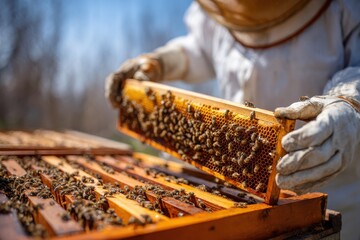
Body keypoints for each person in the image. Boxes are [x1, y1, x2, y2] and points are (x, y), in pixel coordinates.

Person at [105, 0, 360, 238]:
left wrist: (349, 101)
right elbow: (199, 48)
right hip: (239, 195)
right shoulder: (220, 8)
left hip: (332, 197)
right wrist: (160, 62)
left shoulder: (345, 8)